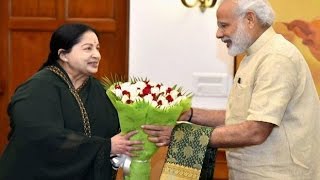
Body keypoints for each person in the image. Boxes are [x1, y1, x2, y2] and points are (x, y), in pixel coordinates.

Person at [142, 0, 320, 179]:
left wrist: (182, 135)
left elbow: (256, 130)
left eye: (224, 25)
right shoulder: (255, 56)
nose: (218, 34)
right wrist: (189, 115)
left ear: (250, 19)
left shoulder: (277, 58)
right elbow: (240, 117)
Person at [0, 23, 142, 180]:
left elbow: (114, 129)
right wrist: (106, 146)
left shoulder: (99, 90)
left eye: (97, 48)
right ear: (63, 55)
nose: (97, 55)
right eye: (88, 48)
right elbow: (40, 136)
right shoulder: (37, 88)